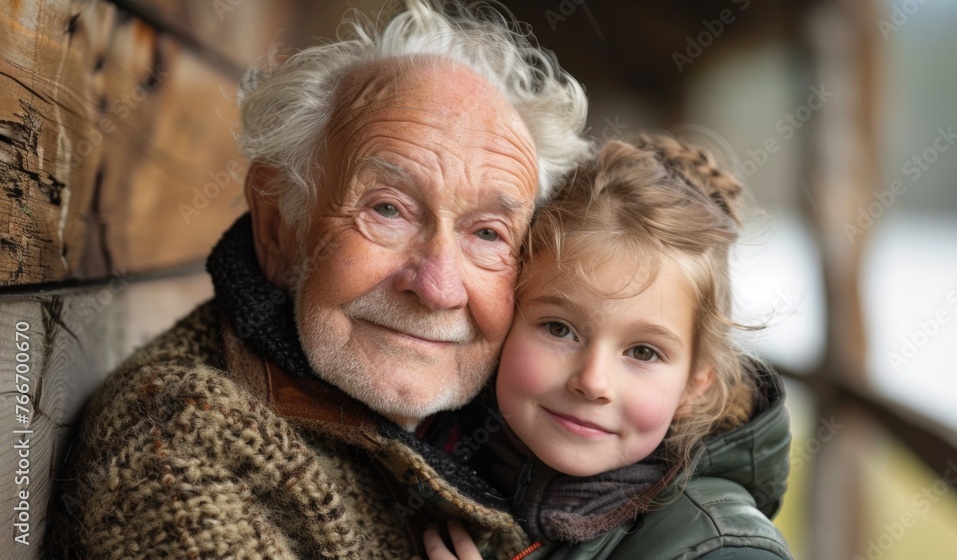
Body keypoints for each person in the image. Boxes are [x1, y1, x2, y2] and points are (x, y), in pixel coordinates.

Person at [48, 1, 590, 558]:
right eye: (388, 209)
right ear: (278, 226)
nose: (438, 287)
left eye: (488, 234)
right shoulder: (182, 441)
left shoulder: (544, 422)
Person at [420, 135, 794, 559]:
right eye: (559, 329)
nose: (592, 382)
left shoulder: (720, 548)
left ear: (696, 385)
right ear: (507, 315)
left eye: (643, 352)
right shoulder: (435, 451)